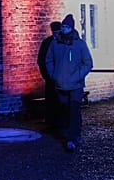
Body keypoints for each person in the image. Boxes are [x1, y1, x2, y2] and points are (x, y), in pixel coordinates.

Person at [45, 13, 93, 153]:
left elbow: (88, 63)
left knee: (74, 110)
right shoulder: (55, 44)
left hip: (76, 85)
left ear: (71, 28)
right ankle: (72, 134)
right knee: (65, 110)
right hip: (61, 83)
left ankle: (72, 138)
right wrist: (54, 75)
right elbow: (49, 60)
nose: (64, 29)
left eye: (67, 27)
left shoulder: (79, 44)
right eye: (63, 26)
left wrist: (78, 76)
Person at [36, 21, 62, 129]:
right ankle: (51, 121)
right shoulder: (47, 43)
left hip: (61, 77)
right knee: (51, 100)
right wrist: (47, 75)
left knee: (60, 100)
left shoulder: (63, 42)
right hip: (51, 78)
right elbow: (41, 60)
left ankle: (59, 121)